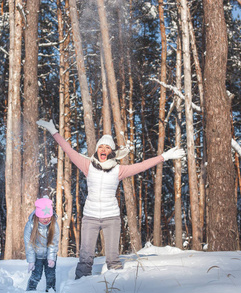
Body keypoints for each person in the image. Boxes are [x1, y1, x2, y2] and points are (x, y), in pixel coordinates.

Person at [36, 119, 185, 280]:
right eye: (101, 146)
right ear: (97, 150)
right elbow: (70, 151)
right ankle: (78, 289)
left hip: (111, 218)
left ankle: (115, 290)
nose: (103, 149)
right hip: (90, 218)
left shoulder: (118, 170)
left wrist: (164, 156)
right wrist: (54, 131)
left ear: (111, 152)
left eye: (107, 147)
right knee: (85, 259)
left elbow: (142, 165)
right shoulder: (88, 166)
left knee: (113, 260)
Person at [24, 197, 60, 292]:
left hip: (49, 256)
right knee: (36, 276)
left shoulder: (54, 225)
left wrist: (51, 258)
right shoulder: (30, 225)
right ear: (37, 214)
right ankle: (30, 292)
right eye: (43, 217)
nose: (46, 219)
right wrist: (31, 261)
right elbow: (29, 244)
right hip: (37, 257)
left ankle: (51, 292)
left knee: (51, 276)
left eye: (48, 217)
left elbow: (53, 243)